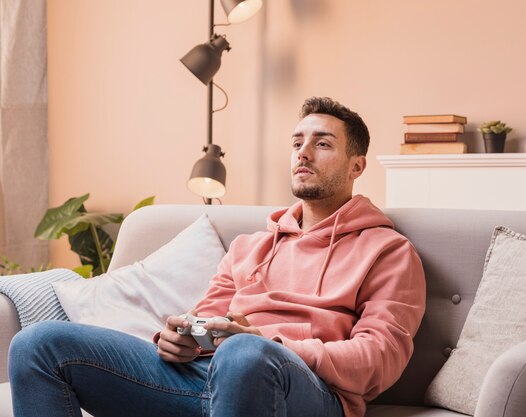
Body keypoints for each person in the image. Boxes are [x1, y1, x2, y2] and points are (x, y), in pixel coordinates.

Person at [8, 97, 426, 417]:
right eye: (297, 142)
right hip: (206, 379)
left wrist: (270, 344)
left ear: (357, 166)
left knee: (244, 355)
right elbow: (205, 317)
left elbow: (380, 360)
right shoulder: (250, 246)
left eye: (322, 144)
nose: (303, 153)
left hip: (307, 388)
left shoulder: (387, 251)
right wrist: (178, 340)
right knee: (38, 344)